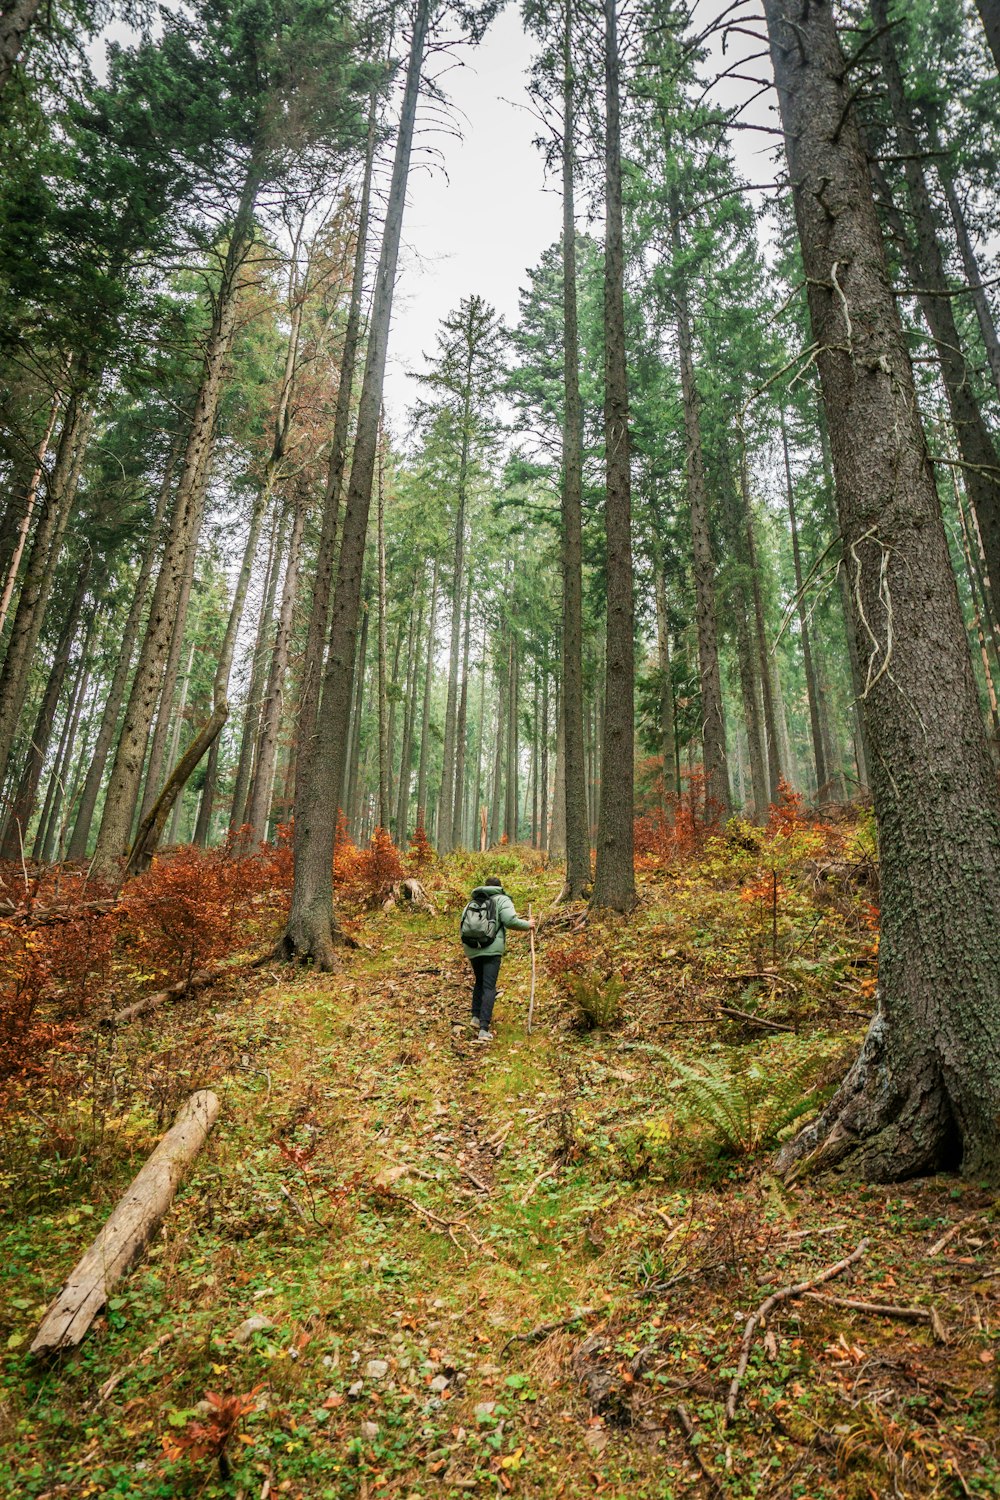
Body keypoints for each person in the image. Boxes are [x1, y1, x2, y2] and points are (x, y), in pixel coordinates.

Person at [460, 876, 535, 1042]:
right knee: (489, 986)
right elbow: (510, 921)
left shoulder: (473, 901)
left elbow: (462, 924)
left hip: (472, 948)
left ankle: (475, 1017)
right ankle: (483, 1029)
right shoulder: (502, 899)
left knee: (479, 982)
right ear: (499, 887)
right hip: (492, 949)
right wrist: (528, 924)